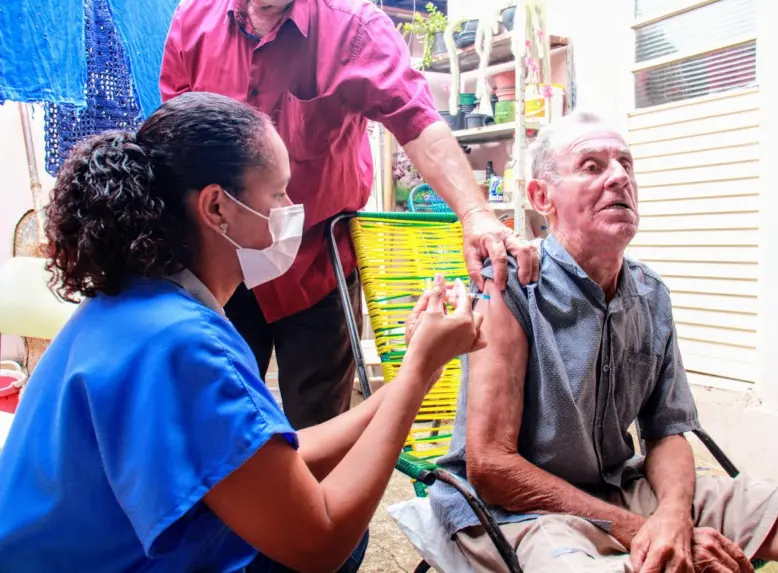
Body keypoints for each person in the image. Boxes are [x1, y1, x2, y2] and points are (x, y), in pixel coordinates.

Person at [0, 92, 486, 573]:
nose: (292, 208)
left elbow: (270, 461)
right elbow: (320, 543)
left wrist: (414, 372)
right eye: (278, 194)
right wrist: (421, 367)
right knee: (342, 538)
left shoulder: (137, 305)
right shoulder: (184, 345)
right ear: (217, 208)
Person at [429, 111, 778, 573]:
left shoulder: (650, 293)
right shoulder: (510, 287)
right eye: (592, 166)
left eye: (625, 165)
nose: (619, 177)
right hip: (520, 509)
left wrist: (673, 518)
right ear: (542, 197)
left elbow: (668, 430)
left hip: (619, 485)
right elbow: (493, 468)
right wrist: (639, 528)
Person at [159, 0, 539, 431]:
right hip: (222, 265)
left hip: (316, 267)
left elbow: (416, 120)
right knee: (211, 420)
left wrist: (476, 213)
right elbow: (175, 144)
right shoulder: (193, 20)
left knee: (320, 422)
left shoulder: (354, 27)